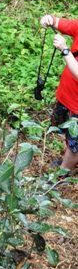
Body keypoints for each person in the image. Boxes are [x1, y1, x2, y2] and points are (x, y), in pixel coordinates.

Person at [40, 14, 78, 173]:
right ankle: (68, 163)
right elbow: (60, 23)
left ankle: (63, 172)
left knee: (75, 146)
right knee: (64, 132)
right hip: (65, 96)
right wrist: (49, 19)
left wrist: (65, 50)